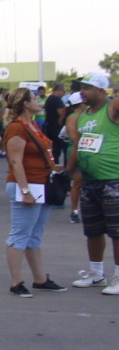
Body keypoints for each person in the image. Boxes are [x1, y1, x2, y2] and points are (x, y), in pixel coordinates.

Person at [2, 87, 64, 296]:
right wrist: (25, 190)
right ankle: (16, 282)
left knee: (34, 235)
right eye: (36, 98)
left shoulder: (33, 125)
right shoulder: (17, 128)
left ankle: (40, 279)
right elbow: (15, 162)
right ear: (26, 104)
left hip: (40, 185)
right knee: (19, 235)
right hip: (28, 186)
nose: (40, 101)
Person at [67, 72, 119, 293]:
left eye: (87, 88)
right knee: (92, 231)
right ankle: (97, 274)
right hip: (89, 182)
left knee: (117, 232)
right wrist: (67, 171)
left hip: (113, 180)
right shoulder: (83, 116)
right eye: (81, 87)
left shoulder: (111, 110)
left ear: (101, 91)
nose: (82, 91)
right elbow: (78, 146)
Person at [61, 91, 87, 223]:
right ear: (80, 103)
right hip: (76, 151)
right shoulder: (72, 117)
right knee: (77, 182)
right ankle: (74, 211)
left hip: (88, 151)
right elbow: (73, 137)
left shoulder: (87, 115)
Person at [43, 83, 66, 164]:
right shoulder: (57, 100)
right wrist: (61, 121)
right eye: (64, 91)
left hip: (49, 126)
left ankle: (52, 164)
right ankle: (56, 167)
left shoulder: (49, 99)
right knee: (58, 149)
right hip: (56, 128)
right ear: (59, 90)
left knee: (52, 149)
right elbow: (61, 113)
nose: (64, 94)